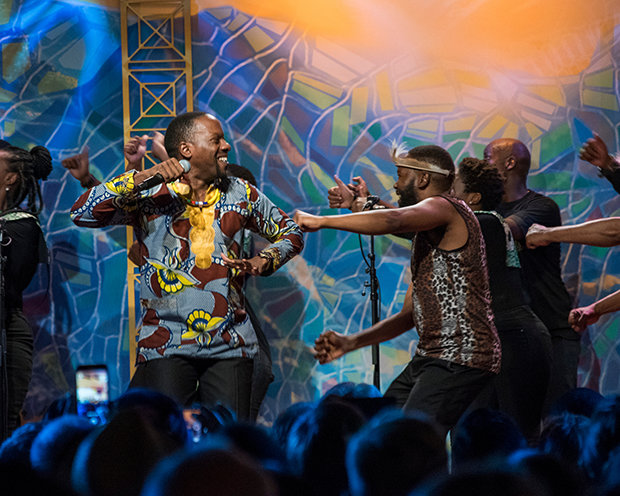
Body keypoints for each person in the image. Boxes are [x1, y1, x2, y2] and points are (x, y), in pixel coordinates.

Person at [70, 111, 303, 420]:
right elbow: (82, 213)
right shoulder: (152, 194)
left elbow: (292, 232)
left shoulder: (241, 193)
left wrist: (266, 259)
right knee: (160, 432)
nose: (226, 146)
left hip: (231, 343)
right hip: (166, 341)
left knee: (226, 438)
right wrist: (144, 175)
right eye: (216, 140)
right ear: (186, 149)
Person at [295, 144, 500, 435]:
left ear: (423, 178)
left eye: (402, 175)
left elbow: (394, 219)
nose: (395, 184)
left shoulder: (447, 206)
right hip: (433, 357)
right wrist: (351, 342)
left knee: (408, 440)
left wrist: (322, 221)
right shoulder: (428, 237)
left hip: (460, 355)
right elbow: (408, 316)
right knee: (382, 429)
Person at [452, 157, 551, 440]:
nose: (447, 196)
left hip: (514, 338)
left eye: (454, 189)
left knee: (518, 436)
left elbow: (410, 224)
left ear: (473, 197)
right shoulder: (480, 224)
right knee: (474, 435)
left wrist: (366, 208)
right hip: (497, 337)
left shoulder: (483, 222)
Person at [486, 138, 578, 412]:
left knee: (557, 417)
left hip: (552, 327)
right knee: (508, 418)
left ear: (509, 163)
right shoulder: (486, 213)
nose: (483, 165)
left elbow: (502, 231)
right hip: (511, 334)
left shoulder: (542, 208)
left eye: (487, 158)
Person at [0, 141, 52, 440]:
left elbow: (12, 281)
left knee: (4, 420)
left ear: (10, 178)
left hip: (6, 330)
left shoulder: (21, 227)